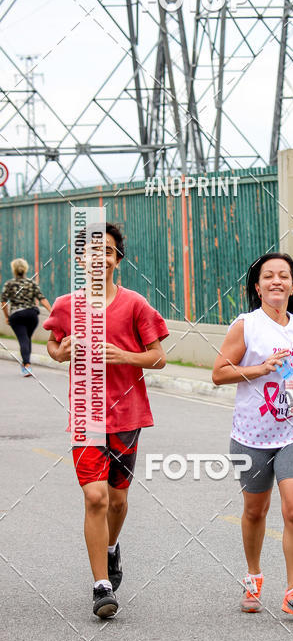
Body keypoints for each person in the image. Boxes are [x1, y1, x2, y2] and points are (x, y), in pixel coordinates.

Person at [44, 223, 168, 619]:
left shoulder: (135, 305)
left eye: (109, 251)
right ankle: (101, 586)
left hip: (128, 415)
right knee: (95, 497)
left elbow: (158, 356)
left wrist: (124, 356)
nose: (100, 258)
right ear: (81, 259)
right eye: (92, 251)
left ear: (117, 260)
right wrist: (59, 352)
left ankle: (112, 548)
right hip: (86, 413)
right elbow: (52, 344)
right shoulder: (66, 305)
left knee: (117, 499)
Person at [212, 252, 293, 620]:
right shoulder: (246, 325)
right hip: (252, 434)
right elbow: (218, 373)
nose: (276, 281)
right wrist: (259, 369)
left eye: (283, 276)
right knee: (255, 510)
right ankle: (254, 576)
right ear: (257, 287)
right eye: (268, 276)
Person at [1, 258, 52, 376]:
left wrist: (7, 316)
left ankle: (27, 366)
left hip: (17, 315)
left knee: (23, 339)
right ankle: (25, 363)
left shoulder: (9, 284)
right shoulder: (31, 283)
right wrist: (51, 311)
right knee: (26, 338)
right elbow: (42, 299)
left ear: (13, 269)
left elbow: (3, 302)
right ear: (25, 269)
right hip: (32, 315)